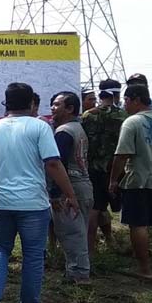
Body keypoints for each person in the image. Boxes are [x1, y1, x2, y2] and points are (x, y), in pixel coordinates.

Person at [0, 83, 78, 303]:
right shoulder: (39, 127)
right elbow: (53, 164)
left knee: (0, 248)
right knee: (33, 255)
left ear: (6, 103)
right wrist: (71, 194)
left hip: (1, 202)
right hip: (32, 203)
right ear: (31, 103)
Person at [109, 84, 152, 280]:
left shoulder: (132, 122)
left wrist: (113, 180)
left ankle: (144, 269)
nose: (124, 105)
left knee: (138, 224)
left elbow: (122, 155)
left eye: (126, 100)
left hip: (139, 181)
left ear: (136, 100)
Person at [49, 92, 93, 284]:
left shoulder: (64, 132)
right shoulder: (78, 128)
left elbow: (58, 164)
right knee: (79, 231)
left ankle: (79, 274)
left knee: (71, 232)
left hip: (71, 188)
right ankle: (78, 270)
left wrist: (57, 193)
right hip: (84, 184)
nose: (52, 108)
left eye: (57, 105)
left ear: (70, 109)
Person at [82, 79, 127, 256]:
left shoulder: (88, 115)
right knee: (128, 208)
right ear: (117, 94)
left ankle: (90, 251)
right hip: (117, 168)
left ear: (100, 94)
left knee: (95, 208)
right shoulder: (123, 116)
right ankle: (131, 247)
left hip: (93, 168)